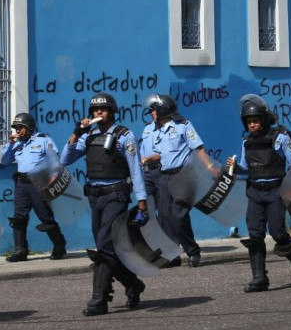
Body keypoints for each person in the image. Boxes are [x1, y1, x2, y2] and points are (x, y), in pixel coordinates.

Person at [60, 92, 149, 316]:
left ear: (112, 112)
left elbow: (135, 169)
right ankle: (132, 283)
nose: (98, 113)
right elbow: (65, 159)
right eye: (94, 110)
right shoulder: (87, 136)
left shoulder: (124, 135)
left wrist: (142, 201)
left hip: (116, 195)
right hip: (95, 197)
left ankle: (99, 300)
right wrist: (76, 132)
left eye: (103, 109)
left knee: (104, 245)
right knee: (106, 247)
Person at [226, 95, 291, 292]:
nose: (252, 124)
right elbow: (246, 170)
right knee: (255, 234)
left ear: (263, 119)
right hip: (254, 191)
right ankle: (259, 278)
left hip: (275, 191)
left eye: (255, 120)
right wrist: (235, 167)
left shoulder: (279, 137)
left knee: (278, 233)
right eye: (248, 121)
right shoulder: (246, 142)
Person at [145, 94, 203, 267]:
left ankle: (192, 250)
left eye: (153, 110)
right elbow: (157, 154)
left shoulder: (184, 126)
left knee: (179, 215)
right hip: (163, 176)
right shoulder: (155, 130)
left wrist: (210, 168)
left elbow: (198, 147)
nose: (151, 113)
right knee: (165, 216)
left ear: (162, 109)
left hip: (183, 175)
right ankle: (172, 255)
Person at [1, 112, 67, 262]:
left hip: (38, 184)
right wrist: (9, 144)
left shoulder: (43, 140)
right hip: (21, 184)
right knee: (19, 218)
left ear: (29, 127)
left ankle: (59, 245)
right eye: (16, 128)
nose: (17, 131)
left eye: (20, 127)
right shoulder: (16, 144)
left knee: (46, 217)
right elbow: (4, 161)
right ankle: (20, 250)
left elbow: (54, 159)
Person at [139, 103, 181, 267]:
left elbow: (162, 152)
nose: (152, 113)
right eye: (150, 111)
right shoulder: (147, 129)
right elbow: (143, 149)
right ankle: (153, 248)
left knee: (166, 212)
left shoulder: (169, 128)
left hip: (161, 171)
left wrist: (148, 159)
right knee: (145, 211)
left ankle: (172, 253)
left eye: (155, 110)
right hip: (147, 173)